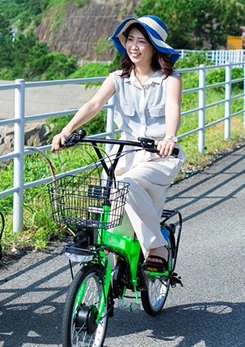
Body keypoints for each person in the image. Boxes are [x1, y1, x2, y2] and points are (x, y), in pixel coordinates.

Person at [51, 15, 185, 271]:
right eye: (130, 40)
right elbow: (93, 104)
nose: (134, 46)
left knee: (124, 185)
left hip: (159, 154)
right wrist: (66, 130)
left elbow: (172, 107)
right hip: (126, 153)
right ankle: (109, 274)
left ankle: (157, 245)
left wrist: (170, 136)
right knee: (111, 211)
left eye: (141, 41)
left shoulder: (170, 79)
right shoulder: (118, 78)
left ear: (155, 47)